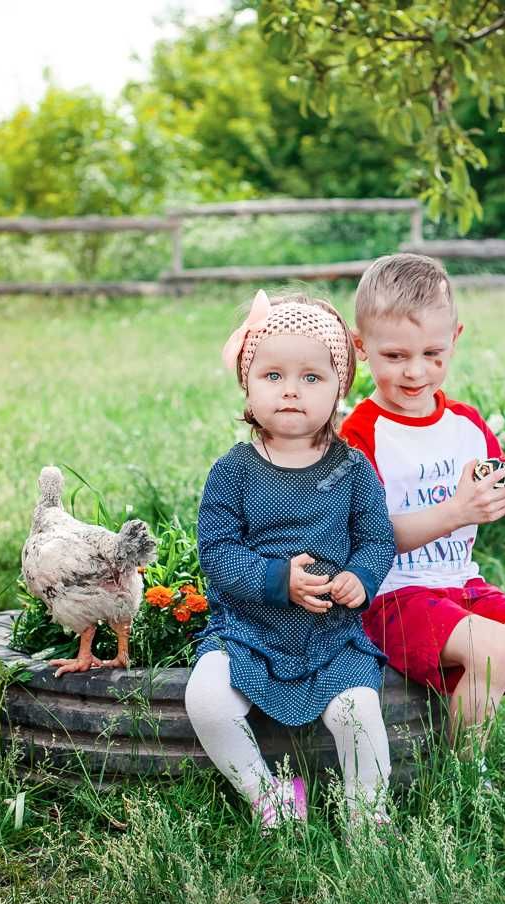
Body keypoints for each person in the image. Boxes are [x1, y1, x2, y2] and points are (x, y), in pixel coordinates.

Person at [341, 254, 505, 796]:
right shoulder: (360, 434)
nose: (416, 372)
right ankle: (466, 780)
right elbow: (368, 540)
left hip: (461, 585)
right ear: (361, 348)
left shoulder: (466, 423)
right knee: (494, 647)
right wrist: (456, 512)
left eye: (433, 354)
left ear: (455, 338)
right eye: (395, 356)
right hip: (392, 597)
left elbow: (500, 476)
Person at [185, 289, 396, 831]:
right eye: (272, 376)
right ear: (247, 386)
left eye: (311, 378)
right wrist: (278, 578)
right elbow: (218, 553)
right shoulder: (232, 472)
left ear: (339, 390)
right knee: (207, 701)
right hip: (247, 632)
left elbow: (377, 539)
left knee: (360, 715)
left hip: (331, 637)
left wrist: (360, 576)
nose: (291, 392)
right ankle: (270, 797)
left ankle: (364, 818)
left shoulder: (352, 470)